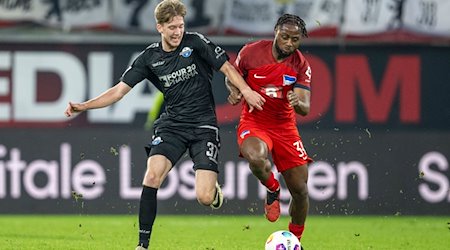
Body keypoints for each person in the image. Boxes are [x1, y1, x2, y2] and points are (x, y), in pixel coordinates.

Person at [64, 1, 265, 249]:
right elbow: (118, 93)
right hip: (172, 126)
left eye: (180, 26)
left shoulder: (196, 42)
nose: (178, 32)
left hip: (203, 127)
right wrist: (83, 106)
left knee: (203, 197)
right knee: (152, 175)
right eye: (172, 27)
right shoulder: (149, 58)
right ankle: (142, 244)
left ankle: (213, 192)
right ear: (159, 27)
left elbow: (227, 67)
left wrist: (245, 90)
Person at [226, 13, 312, 245]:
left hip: (285, 127)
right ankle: (272, 188)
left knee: (301, 191)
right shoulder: (251, 52)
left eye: (295, 40)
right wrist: (236, 91)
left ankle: (295, 241)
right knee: (256, 157)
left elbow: (305, 107)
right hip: (254, 121)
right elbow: (232, 77)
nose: (289, 44)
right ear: (276, 31)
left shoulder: (301, 64)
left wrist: (298, 102)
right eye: (285, 37)